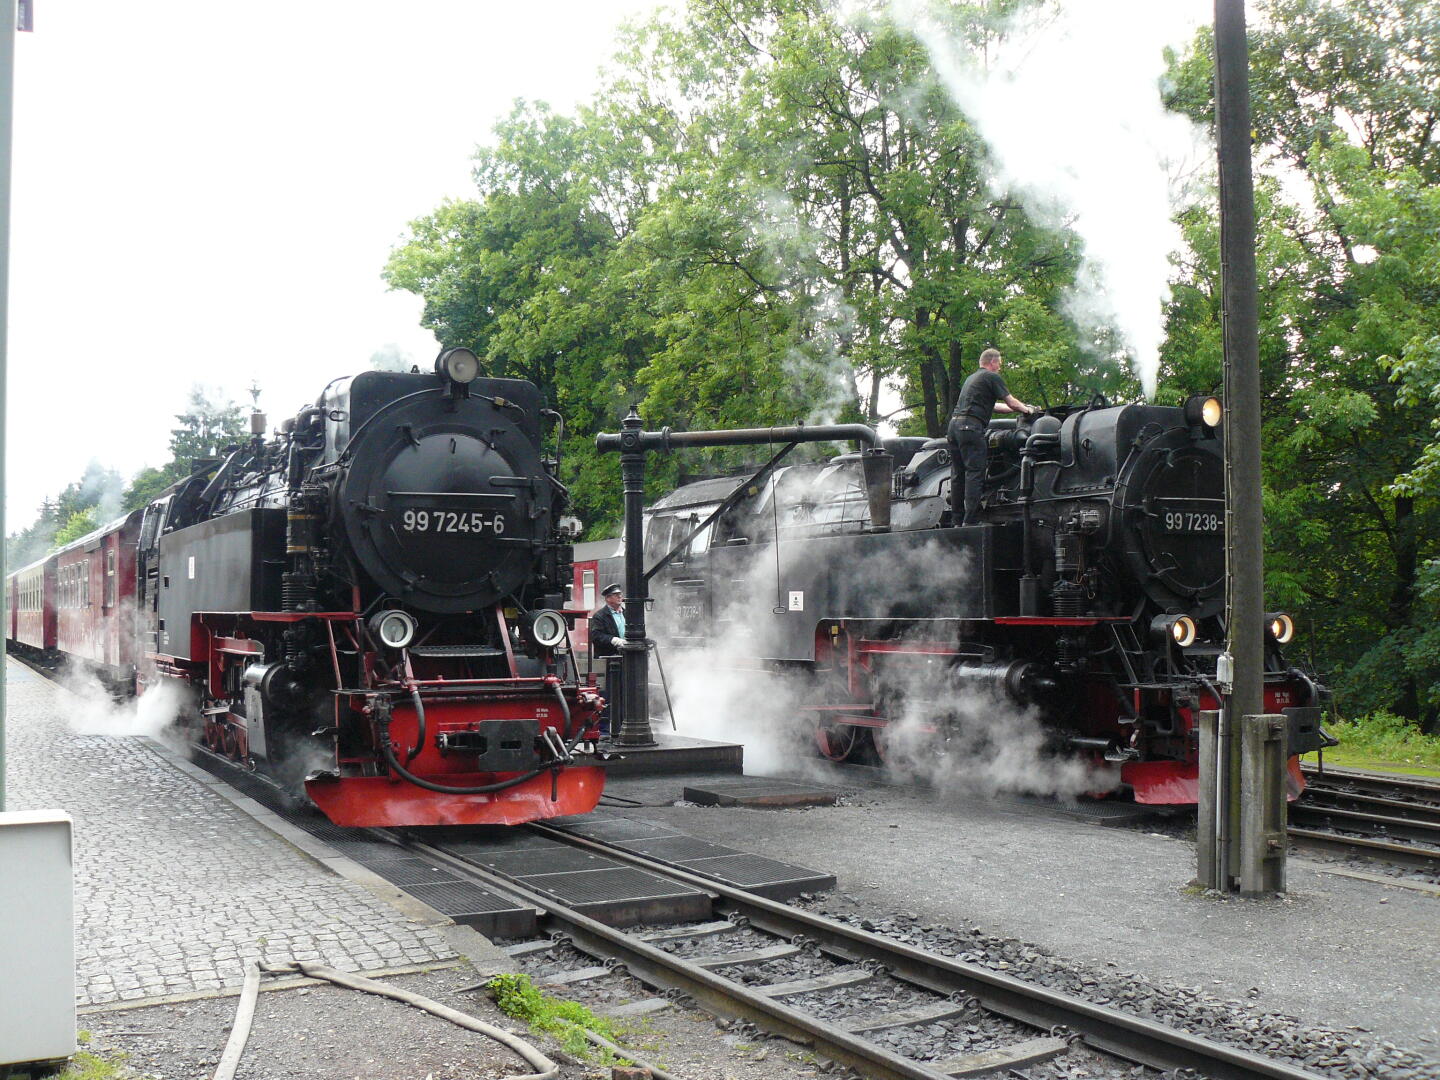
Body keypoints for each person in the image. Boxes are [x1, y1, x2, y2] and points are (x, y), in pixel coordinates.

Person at [947, 348, 1040, 526]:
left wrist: (1021, 407)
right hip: (970, 428)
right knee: (975, 472)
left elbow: (997, 407)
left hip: (954, 427)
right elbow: (1011, 401)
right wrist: (1028, 410)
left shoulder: (972, 379)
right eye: (999, 365)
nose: (1000, 369)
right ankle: (971, 520)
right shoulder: (992, 377)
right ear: (993, 362)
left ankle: (956, 520)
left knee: (958, 475)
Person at [589, 584, 625, 735]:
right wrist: (614, 640)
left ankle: (622, 725)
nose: (620, 597)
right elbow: (596, 636)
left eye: (620, 594)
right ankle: (603, 729)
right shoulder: (600, 616)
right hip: (607, 662)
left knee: (624, 694)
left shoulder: (626, 613)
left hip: (624, 659)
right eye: (616, 595)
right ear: (608, 598)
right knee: (606, 695)